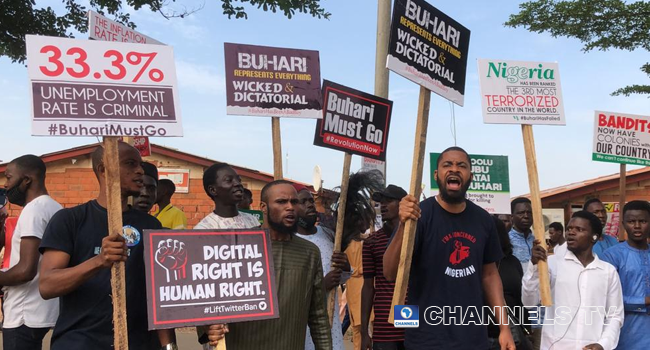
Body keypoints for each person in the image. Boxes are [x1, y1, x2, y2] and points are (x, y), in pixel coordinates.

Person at [39, 142, 175, 349]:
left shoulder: (150, 225)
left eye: (140, 164)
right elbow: (47, 285)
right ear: (104, 169)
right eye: (130, 163)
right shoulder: (70, 220)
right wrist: (99, 261)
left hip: (139, 343)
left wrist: (169, 346)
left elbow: (158, 294)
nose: (139, 170)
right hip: (80, 342)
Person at [383, 147, 515, 350]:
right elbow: (390, 273)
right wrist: (403, 224)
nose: (454, 169)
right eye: (447, 165)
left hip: (473, 338)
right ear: (437, 175)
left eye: (461, 166)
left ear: (470, 176)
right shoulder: (420, 215)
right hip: (426, 339)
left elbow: (489, 275)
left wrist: (504, 327)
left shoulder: (484, 220)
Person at [206, 180, 332, 349]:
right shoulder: (235, 245)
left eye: (294, 202)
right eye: (281, 202)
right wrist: (209, 328)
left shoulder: (309, 252)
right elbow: (210, 300)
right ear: (263, 207)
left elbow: (318, 317)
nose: (290, 207)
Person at [522, 211, 624, 350]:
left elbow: (615, 316)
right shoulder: (551, 264)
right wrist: (534, 267)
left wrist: (603, 344)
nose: (571, 232)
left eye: (579, 229)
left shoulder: (607, 272)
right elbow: (528, 302)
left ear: (594, 237)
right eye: (569, 229)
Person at [193, 163, 260, 347]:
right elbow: (200, 282)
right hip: (219, 319)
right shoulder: (203, 229)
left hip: (252, 310)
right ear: (213, 190)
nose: (238, 184)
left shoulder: (253, 222)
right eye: (229, 180)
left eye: (238, 179)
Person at [1, 155, 62, 350]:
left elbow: (26, 270)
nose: (6, 184)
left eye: (9, 177)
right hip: (45, 311)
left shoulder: (33, 211)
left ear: (26, 180)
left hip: (23, 313)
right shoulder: (55, 208)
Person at [295, 184, 350, 350]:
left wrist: (345, 265)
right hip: (301, 326)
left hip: (330, 322)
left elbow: (342, 277)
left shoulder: (329, 234)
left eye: (311, 201)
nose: (310, 205)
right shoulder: (288, 240)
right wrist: (321, 286)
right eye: (303, 202)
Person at [362, 185, 407, 350]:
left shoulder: (415, 238)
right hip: (383, 327)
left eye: (389, 201)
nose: (383, 205)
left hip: (412, 323)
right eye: (382, 202)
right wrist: (363, 331)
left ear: (402, 204)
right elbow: (368, 287)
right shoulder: (371, 242)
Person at [600, 200, 650, 350]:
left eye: (643, 221)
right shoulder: (611, 256)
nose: (636, 226)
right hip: (626, 332)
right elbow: (605, 297)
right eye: (631, 221)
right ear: (623, 224)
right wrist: (644, 301)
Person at [488, 216, 532, 350]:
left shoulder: (512, 261)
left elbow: (521, 300)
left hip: (512, 336)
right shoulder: (471, 262)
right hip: (480, 335)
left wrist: (527, 328)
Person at [510, 197, 534, 270]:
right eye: (521, 213)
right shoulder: (506, 241)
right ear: (512, 217)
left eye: (529, 213)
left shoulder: (537, 240)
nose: (526, 216)